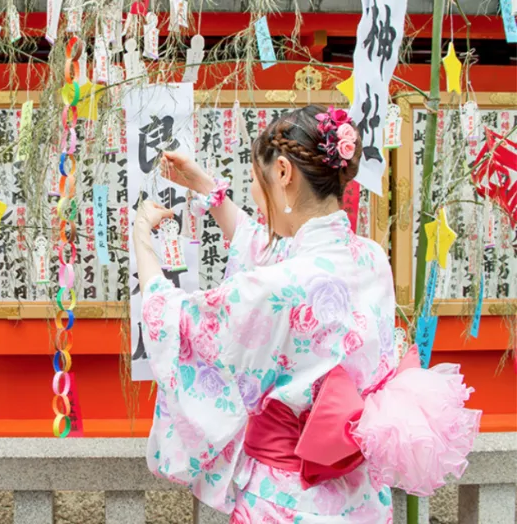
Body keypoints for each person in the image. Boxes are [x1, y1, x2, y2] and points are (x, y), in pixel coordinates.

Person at [134, 105, 480, 523]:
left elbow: (173, 320)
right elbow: (263, 245)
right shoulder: (371, 259)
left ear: (283, 173)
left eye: (259, 182)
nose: (259, 199)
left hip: (286, 500)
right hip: (362, 498)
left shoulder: (279, 284)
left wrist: (141, 239)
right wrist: (203, 185)